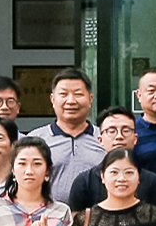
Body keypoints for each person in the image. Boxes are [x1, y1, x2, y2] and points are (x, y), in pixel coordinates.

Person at [66, 108, 156, 212]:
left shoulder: (152, 182)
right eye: (111, 131)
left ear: (135, 139)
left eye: (126, 130)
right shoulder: (84, 182)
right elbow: (77, 221)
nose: (119, 136)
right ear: (100, 140)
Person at [29, 68, 103, 202]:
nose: (71, 101)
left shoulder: (104, 138)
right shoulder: (35, 140)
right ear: (53, 99)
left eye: (78, 94)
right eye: (63, 94)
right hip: (48, 213)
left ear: (90, 99)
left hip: (97, 214)